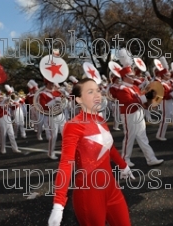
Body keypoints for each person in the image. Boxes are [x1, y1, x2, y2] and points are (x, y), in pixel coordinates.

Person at [48, 78, 134, 226]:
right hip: (88, 194)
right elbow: (66, 163)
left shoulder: (100, 120)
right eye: (90, 92)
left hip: (112, 189)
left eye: (98, 91)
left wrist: (123, 166)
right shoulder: (73, 125)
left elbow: (109, 148)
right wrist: (58, 203)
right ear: (79, 99)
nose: (97, 95)